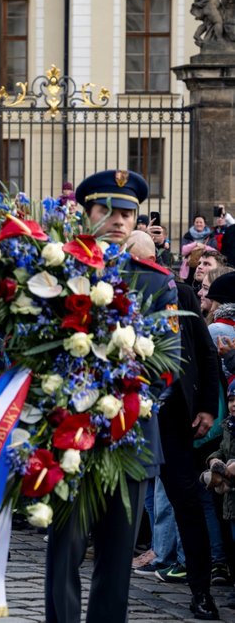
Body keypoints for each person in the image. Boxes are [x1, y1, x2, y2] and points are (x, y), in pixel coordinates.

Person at [44, 170, 191, 622]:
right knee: (64, 554)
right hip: (70, 435)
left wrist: (122, 397)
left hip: (131, 438)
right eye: (108, 211)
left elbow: (168, 365)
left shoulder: (156, 281)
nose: (119, 220)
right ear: (89, 213)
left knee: (115, 562)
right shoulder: (59, 269)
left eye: (127, 213)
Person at [127, 231, 221, 617]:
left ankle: (201, 591)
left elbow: (204, 349)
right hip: (126, 413)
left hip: (171, 416)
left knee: (185, 502)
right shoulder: (112, 288)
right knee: (124, 504)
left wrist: (206, 407)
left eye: (146, 262)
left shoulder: (177, 292)